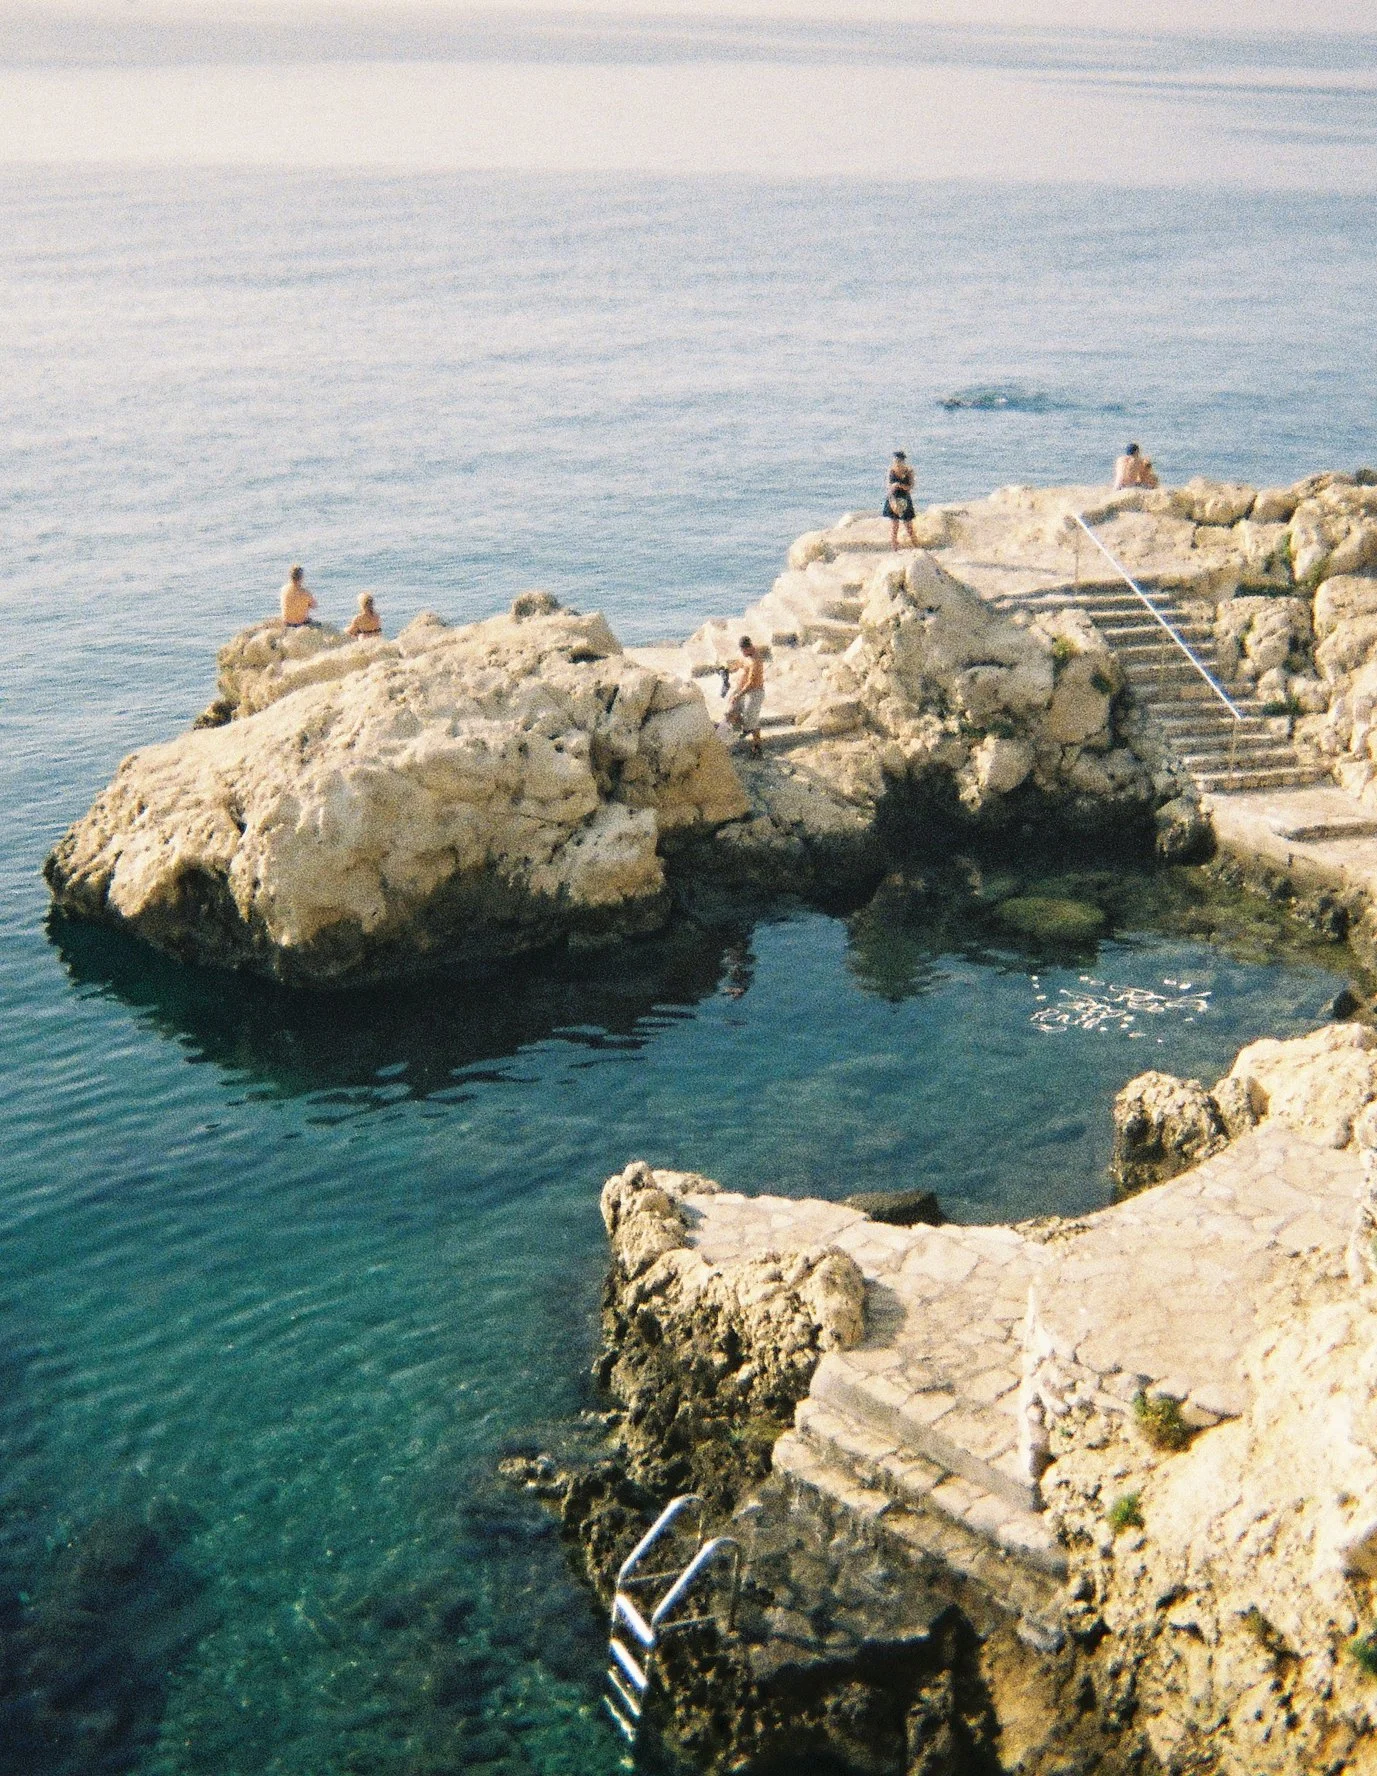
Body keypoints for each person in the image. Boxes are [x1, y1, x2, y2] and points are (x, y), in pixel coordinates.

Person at [725, 636, 766, 758]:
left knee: (751, 719)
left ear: (749, 647)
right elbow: (740, 664)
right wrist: (728, 668)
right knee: (729, 711)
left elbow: (751, 682)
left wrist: (738, 695)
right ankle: (735, 735)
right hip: (741, 690)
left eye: (743, 650)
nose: (742, 652)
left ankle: (757, 747)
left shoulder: (756, 661)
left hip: (754, 692)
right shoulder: (745, 655)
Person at [884, 451, 920, 550]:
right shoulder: (891, 471)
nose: (897, 462)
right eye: (895, 460)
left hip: (905, 498)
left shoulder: (909, 471)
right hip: (893, 498)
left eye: (899, 460)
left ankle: (916, 546)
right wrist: (893, 486)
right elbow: (888, 485)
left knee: (908, 526)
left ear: (903, 461)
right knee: (894, 526)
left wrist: (900, 485)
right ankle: (894, 548)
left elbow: (911, 486)